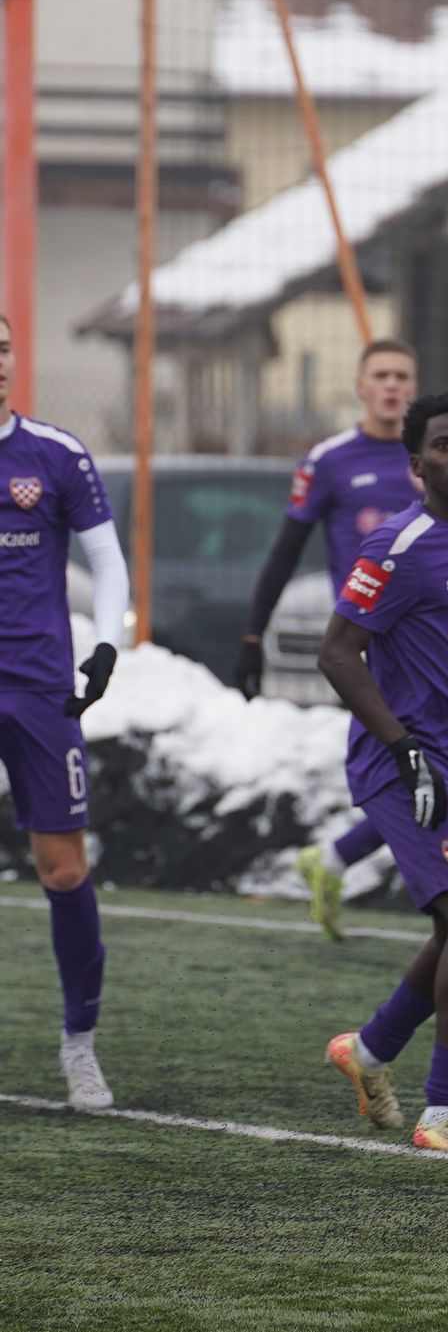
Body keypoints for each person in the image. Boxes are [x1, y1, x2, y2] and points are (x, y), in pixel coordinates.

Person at [318, 392, 448, 1155]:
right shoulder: (399, 543)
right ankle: (445, 1112)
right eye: (442, 446)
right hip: (404, 762)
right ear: (416, 465)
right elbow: (337, 652)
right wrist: (403, 748)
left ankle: (368, 1051)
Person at [234, 338, 420, 938]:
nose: (391, 386)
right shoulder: (330, 460)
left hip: (437, 643)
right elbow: (285, 551)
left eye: (402, 376)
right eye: (381, 375)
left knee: (441, 766)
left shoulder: (432, 455)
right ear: (360, 387)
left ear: (414, 388)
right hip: (370, 650)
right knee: (424, 766)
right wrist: (252, 635)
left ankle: (337, 860)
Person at [0, 311, 128, 1110]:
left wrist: (105, 644)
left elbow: (106, 560)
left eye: (2, 347)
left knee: (66, 869)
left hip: (41, 688)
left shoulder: (56, 453)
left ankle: (79, 1043)